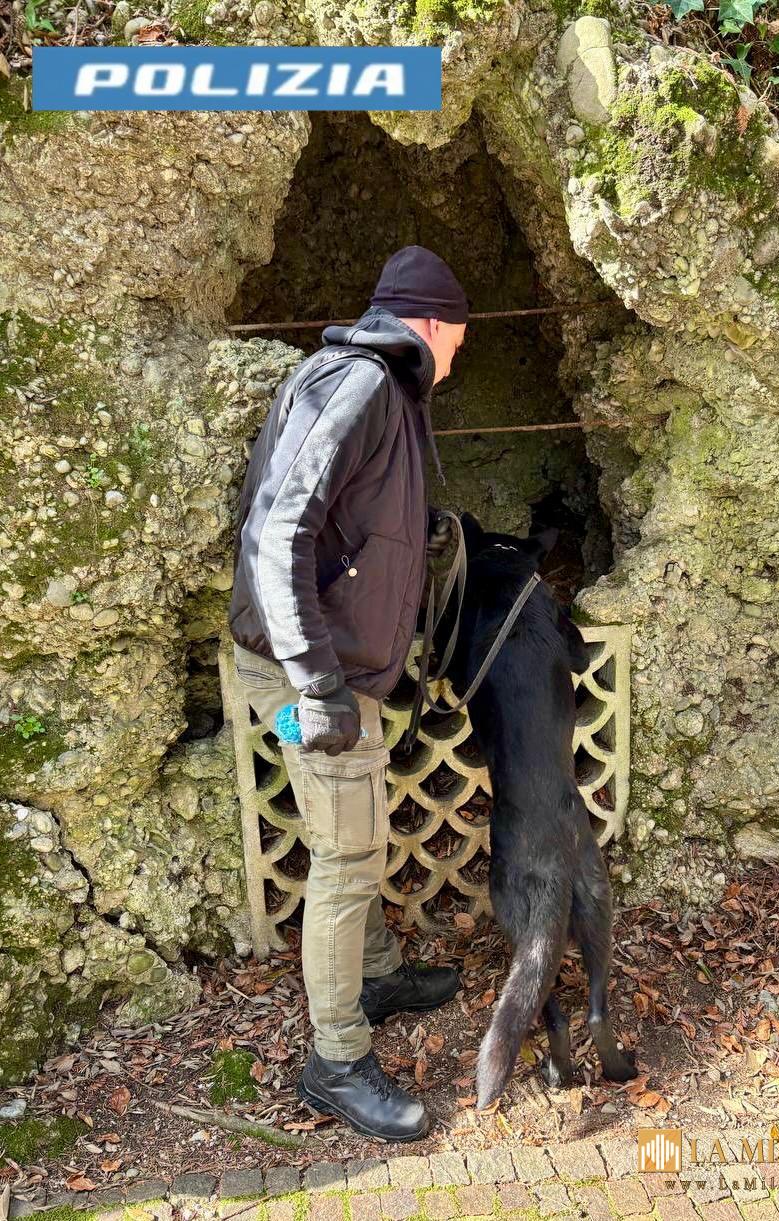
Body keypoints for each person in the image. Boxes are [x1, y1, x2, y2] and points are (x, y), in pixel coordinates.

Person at [227, 246, 469, 1142]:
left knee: (359, 838)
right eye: (461, 339)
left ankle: (373, 973)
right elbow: (278, 530)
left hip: (336, 665)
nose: (459, 358)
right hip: (312, 672)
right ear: (438, 326)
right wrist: (320, 682)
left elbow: (348, 525)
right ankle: (335, 1059)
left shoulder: (383, 393)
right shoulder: (362, 385)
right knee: (346, 858)